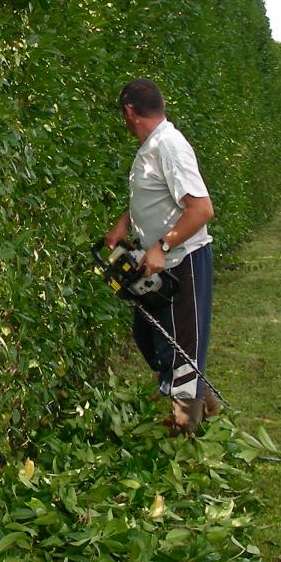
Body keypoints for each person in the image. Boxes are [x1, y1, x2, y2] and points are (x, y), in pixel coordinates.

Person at [104, 79, 219, 434]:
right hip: (158, 262)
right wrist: (123, 224)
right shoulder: (152, 146)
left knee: (182, 344)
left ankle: (185, 430)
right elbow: (154, 194)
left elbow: (201, 209)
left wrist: (163, 246)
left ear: (129, 112)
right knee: (149, 336)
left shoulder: (169, 146)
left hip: (183, 260)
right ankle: (205, 400)